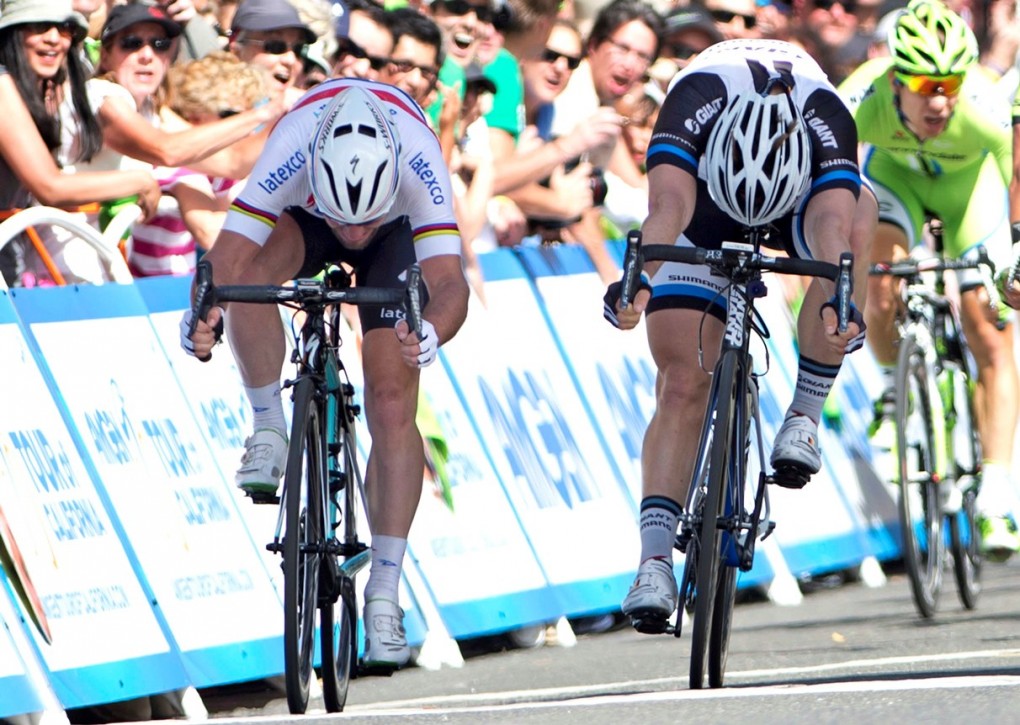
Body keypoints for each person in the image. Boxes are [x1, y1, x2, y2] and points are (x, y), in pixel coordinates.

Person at [181, 79, 469, 669]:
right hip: (302, 220)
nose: (352, 236)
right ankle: (268, 426)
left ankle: (384, 594)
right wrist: (199, 315)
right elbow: (225, 258)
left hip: (400, 239)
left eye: (361, 223)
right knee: (252, 280)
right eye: (347, 221)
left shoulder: (417, 156)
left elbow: (449, 282)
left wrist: (433, 329)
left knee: (391, 402)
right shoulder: (292, 143)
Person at [603, 38, 875, 626]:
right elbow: (667, 211)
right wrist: (637, 282)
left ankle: (803, 414)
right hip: (706, 197)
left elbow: (829, 226)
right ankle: (654, 563)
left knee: (852, 236)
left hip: (797, 194)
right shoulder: (692, 100)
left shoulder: (828, 117)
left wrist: (840, 296)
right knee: (682, 381)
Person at [840, 0, 1020, 560]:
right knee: (881, 281)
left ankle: (997, 493)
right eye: (924, 83)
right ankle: (895, 392)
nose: (939, 99)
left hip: (971, 193)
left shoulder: (985, 109)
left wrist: (1011, 256)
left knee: (986, 327)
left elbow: (1012, 189)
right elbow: (826, 175)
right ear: (896, 78)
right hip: (896, 183)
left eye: (950, 83)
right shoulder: (861, 96)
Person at [0, 0, 160, 286]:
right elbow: (51, 187)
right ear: (11, 32)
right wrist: (141, 181)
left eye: (65, 29)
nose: (53, 38)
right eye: (38, 26)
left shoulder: (40, 92)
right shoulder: (1, 84)